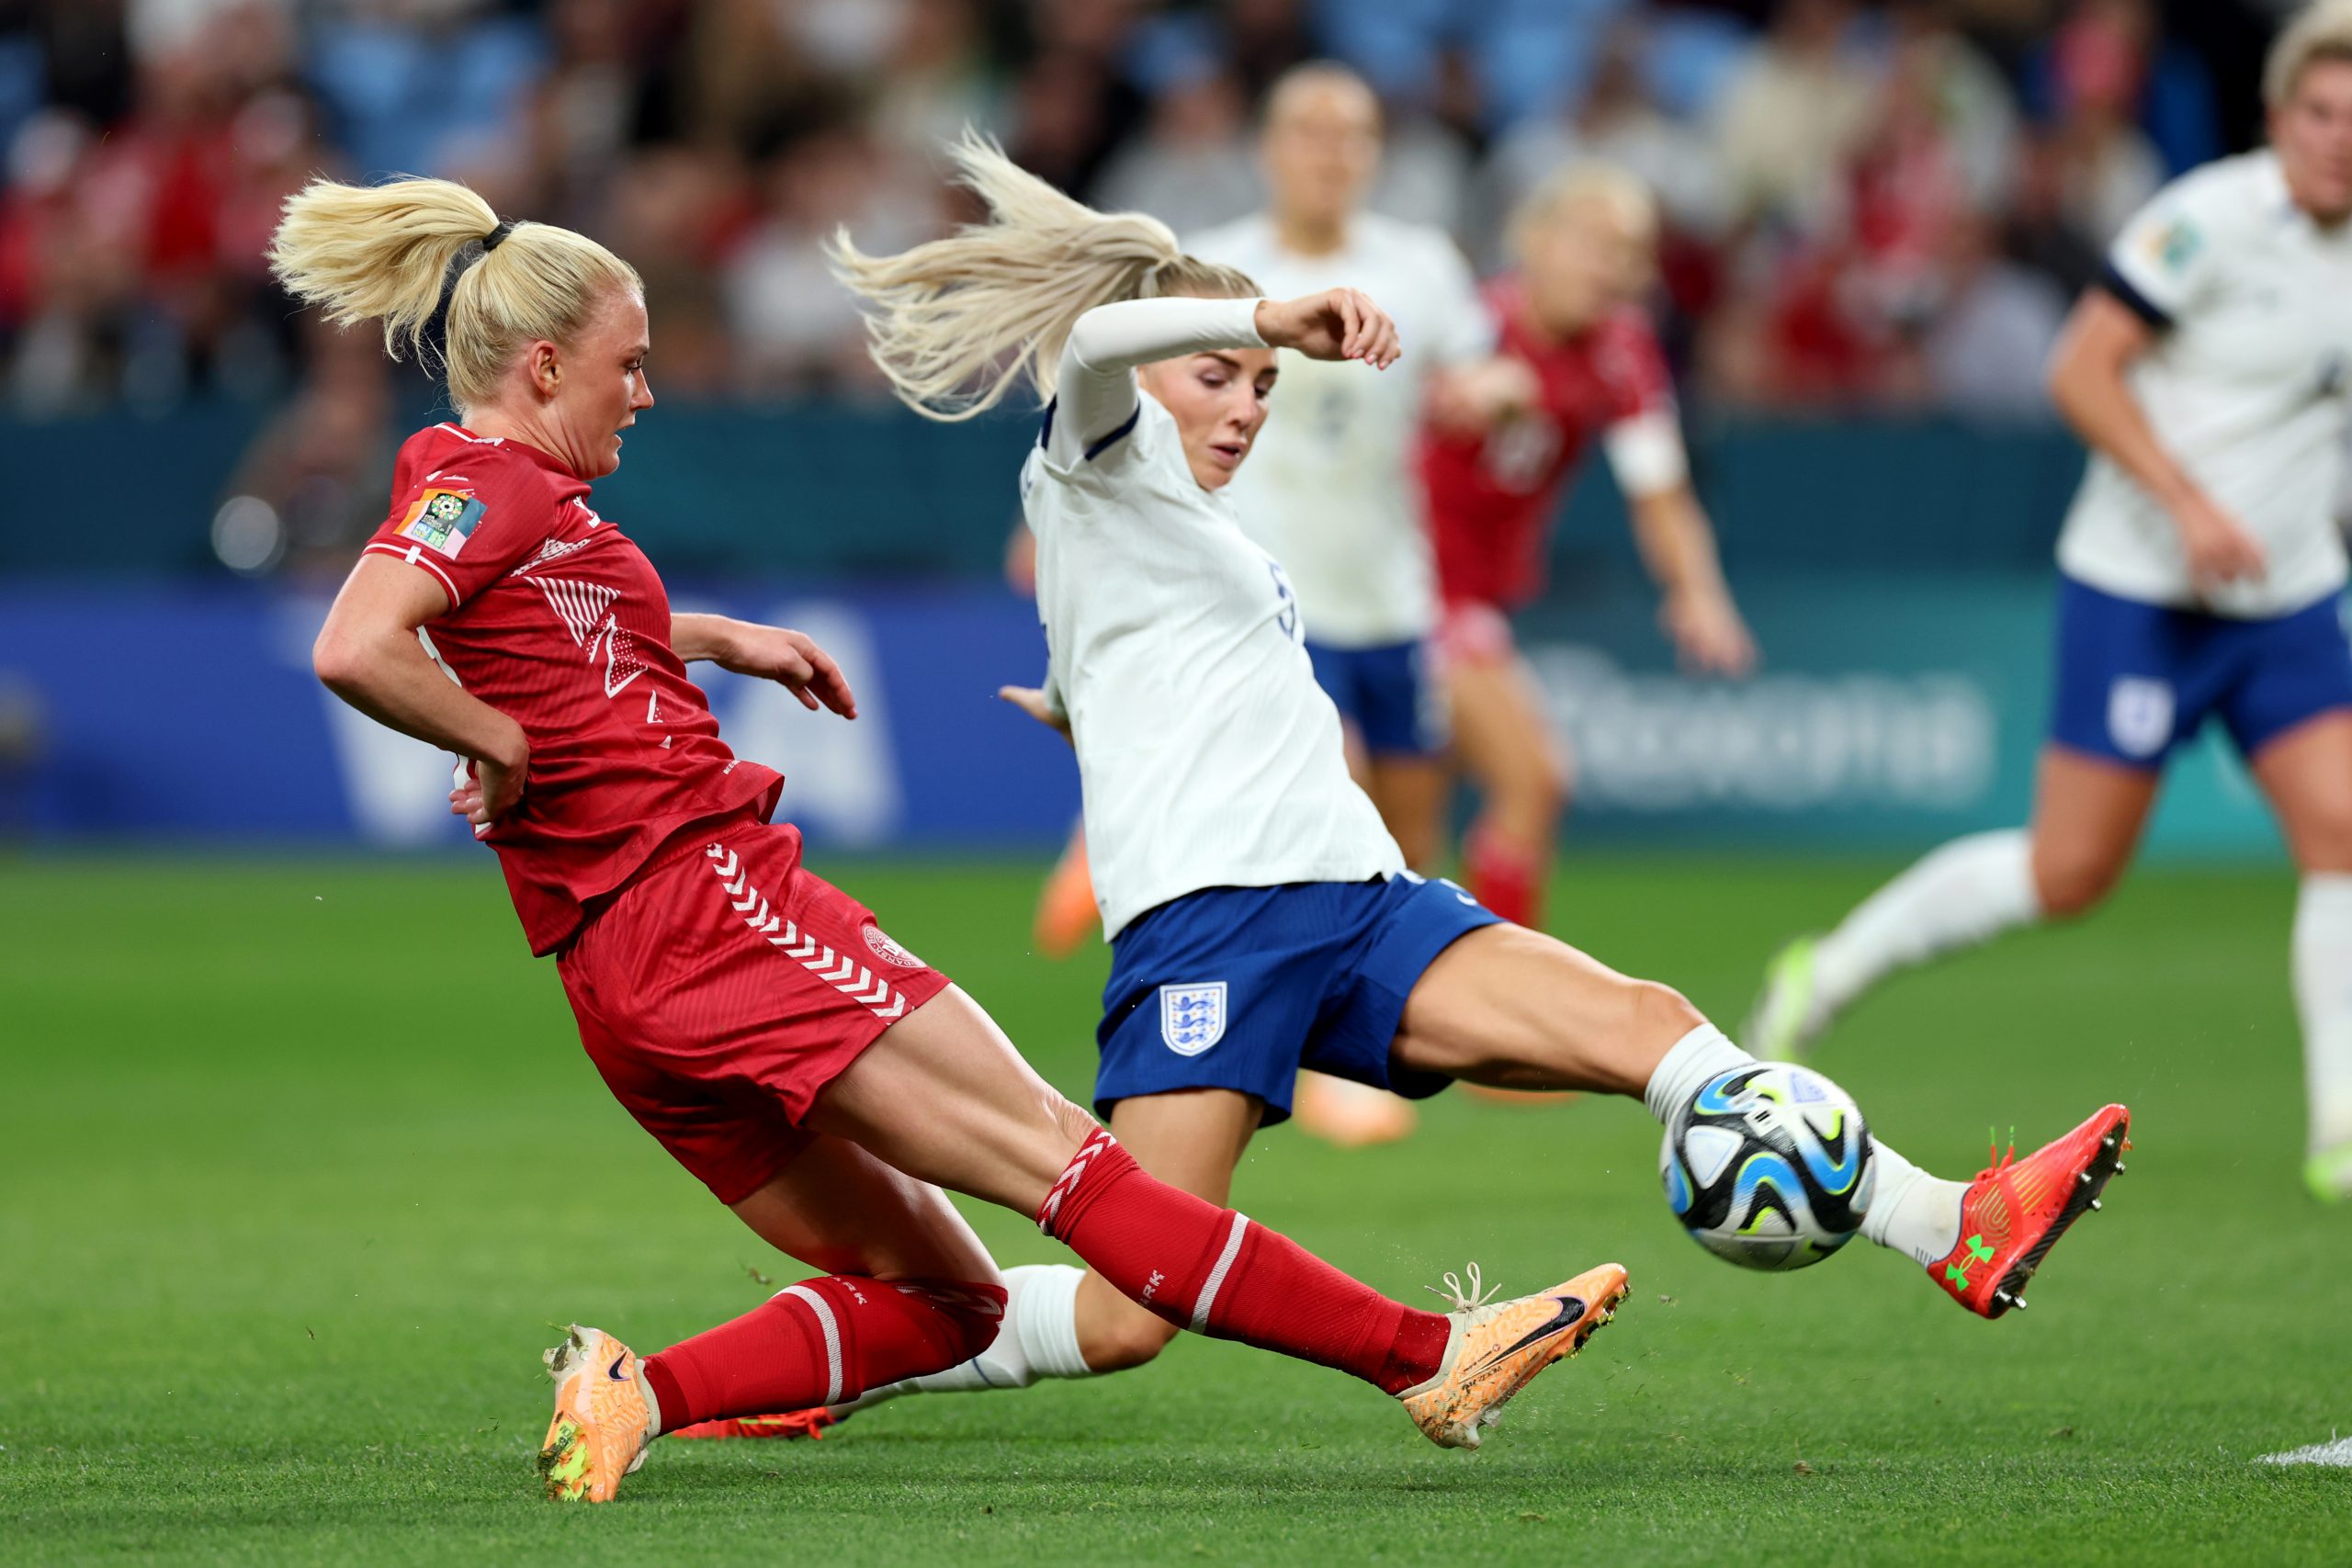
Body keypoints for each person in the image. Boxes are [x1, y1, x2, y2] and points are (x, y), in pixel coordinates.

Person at [703, 132, 2130, 1439]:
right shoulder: (1090, 462)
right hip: (1216, 930)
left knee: (1653, 1024)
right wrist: (1262, 314)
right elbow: (1088, 338)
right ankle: (804, 1368)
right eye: (1220, 378)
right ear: (1155, 375)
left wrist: (1076, 695)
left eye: (1263, 387)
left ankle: (1951, 1221)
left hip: (1360, 901)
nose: (1249, 405)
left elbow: (1139, 665)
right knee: (1131, 1306)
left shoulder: (1195, 535)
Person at [272, 174, 1644, 1503]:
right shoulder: (486, 481)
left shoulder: (517, 501)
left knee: (949, 1297)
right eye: (628, 365)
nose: (646, 389)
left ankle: (635, 1392)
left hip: (617, 977)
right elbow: (357, 640)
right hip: (714, 908)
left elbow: (534, 630)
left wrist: (703, 638)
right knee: (1077, 1168)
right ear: (546, 362)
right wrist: (499, 742)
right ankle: (1428, 1356)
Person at [1747, 1, 2352, 1205]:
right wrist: (2185, 503)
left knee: (2341, 832)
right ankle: (1831, 965)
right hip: (2142, 585)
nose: (2339, 137)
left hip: (2284, 596)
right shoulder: (2209, 223)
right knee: (2070, 873)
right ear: (2278, 116)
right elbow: (2077, 368)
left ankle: (2340, 1127)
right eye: (2321, 112)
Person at [1423, 163, 1756, 939]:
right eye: (1592, 242)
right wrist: (1458, 395)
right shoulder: (1469, 324)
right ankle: (1491, 1039)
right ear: (1532, 240)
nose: (1611, 266)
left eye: (1629, 252)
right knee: (1532, 782)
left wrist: (1697, 589)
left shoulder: (1623, 352)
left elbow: (1660, 492)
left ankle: (1388, 1036)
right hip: (1407, 594)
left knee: (1409, 828)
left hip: (1471, 597)